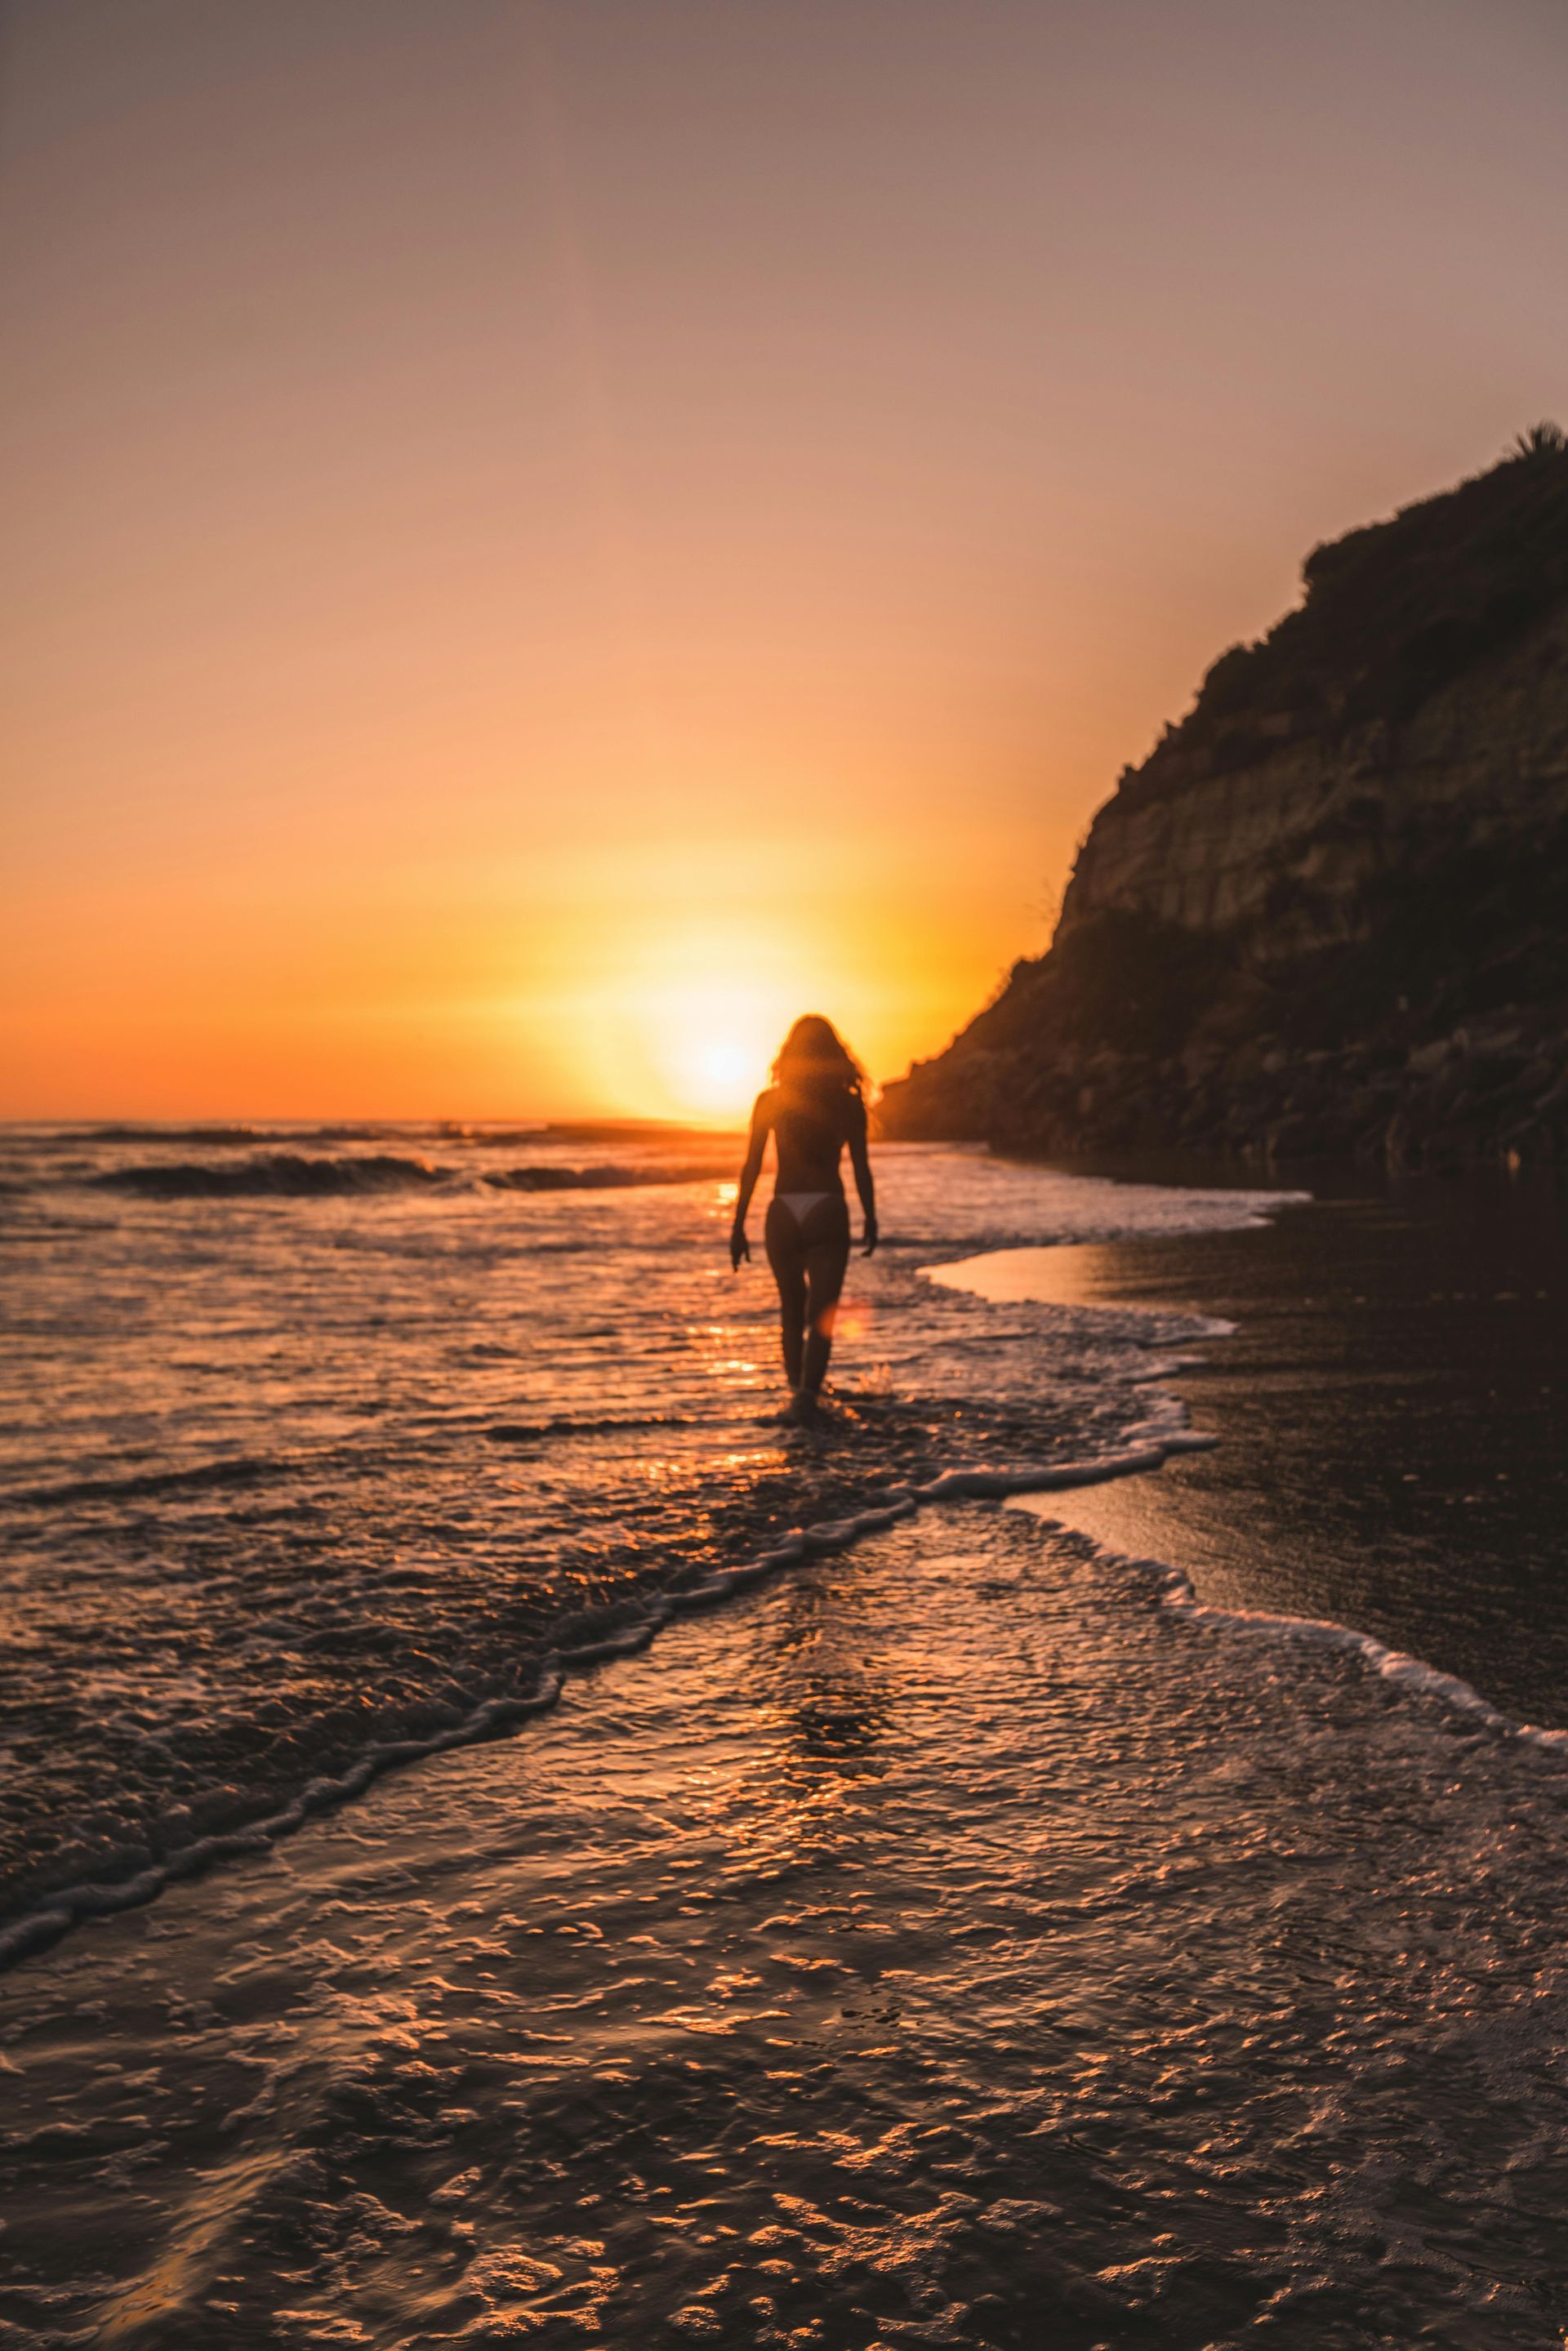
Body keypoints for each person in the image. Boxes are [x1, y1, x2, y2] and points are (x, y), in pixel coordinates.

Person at [730, 1014, 877, 1423]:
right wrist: (870, 1216)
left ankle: (796, 1397)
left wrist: (738, 1225)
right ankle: (808, 1401)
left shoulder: (769, 1101)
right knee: (823, 1316)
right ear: (834, 1053)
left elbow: (752, 1166)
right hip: (827, 1207)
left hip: (782, 1211)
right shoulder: (848, 1104)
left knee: (791, 1313)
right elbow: (862, 1168)